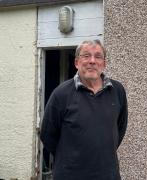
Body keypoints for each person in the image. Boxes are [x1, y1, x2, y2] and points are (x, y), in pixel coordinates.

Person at [40, 39, 128, 180]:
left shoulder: (117, 91)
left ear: (104, 64)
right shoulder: (61, 94)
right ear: (76, 63)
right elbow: (47, 134)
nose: (92, 61)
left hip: (108, 174)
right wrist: (70, 158)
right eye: (86, 56)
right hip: (70, 175)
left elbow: (120, 128)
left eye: (98, 56)